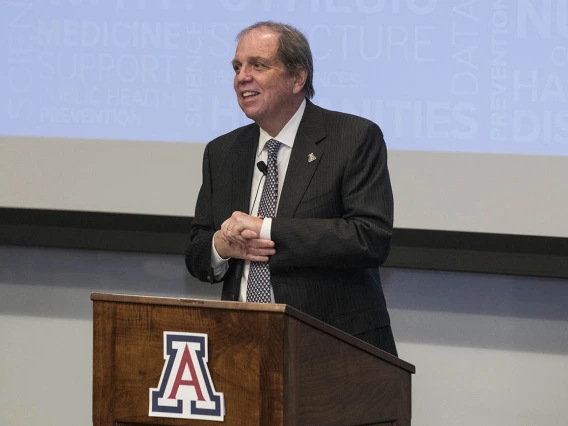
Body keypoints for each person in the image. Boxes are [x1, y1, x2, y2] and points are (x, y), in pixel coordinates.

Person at [185, 21, 397, 356]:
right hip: (242, 345)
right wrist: (221, 245)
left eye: (258, 64)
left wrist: (266, 229)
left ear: (298, 78)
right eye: (237, 67)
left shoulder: (352, 137)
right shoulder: (222, 152)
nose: (242, 76)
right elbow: (197, 252)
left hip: (332, 347)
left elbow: (368, 237)